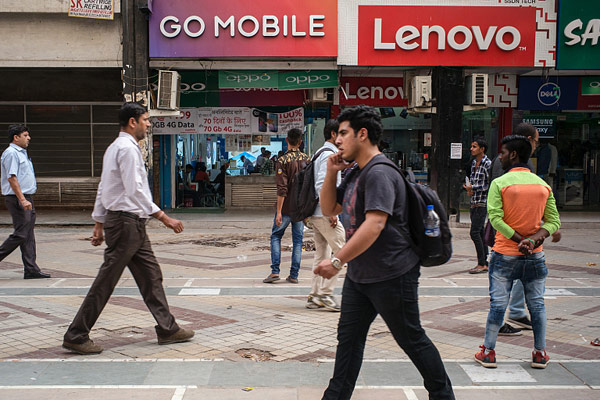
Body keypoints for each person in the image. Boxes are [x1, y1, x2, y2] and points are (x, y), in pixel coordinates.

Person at [315, 106, 454, 399]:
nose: (337, 140)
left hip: (393, 274)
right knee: (348, 341)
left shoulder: (379, 172)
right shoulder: (355, 172)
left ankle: (442, 395)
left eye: (343, 133)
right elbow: (329, 209)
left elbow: (375, 223)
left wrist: (337, 261)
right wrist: (331, 172)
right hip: (362, 276)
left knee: (411, 339)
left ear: (362, 134)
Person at [62, 103, 194, 355]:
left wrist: (99, 223)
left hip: (128, 223)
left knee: (151, 275)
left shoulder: (115, 148)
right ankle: (76, 334)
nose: (148, 124)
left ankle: (168, 328)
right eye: (145, 120)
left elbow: (105, 187)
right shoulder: (127, 149)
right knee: (106, 280)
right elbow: (135, 190)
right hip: (126, 223)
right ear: (132, 122)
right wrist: (163, 216)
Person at [475, 135, 560, 370]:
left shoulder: (500, 183)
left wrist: (520, 240)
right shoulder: (543, 185)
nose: (499, 157)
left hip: (504, 254)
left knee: (498, 305)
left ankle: (489, 352)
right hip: (535, 255)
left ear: (513, 155)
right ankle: (540, 353)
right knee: (537, 305)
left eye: (502, 153)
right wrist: (532, 241)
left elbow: (495, 219)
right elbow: (553, 221)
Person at [0, 125, 50, 279]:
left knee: (28, 235)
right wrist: (22, 199)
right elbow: (12, 177)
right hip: (18, 199)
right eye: (26, 135)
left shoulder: (22, 153)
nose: (29, 138)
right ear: (16, 137)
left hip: (26, 198)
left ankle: (31, 269)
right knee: (21, 234)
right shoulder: (11, 153)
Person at [306, 119, 345, 312]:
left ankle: (315, 295)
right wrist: (330, 212)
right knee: (342, 252)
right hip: (324, 213)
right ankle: (326, 294)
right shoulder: (329, 154)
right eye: (341, 133)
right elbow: (322, 184)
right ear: (332, 134)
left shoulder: (319, 153)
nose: (343, 138)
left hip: (316, 213)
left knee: (321, 255)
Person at [263, 128, 310, 284]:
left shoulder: (282, 161)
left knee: (276, 236)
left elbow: (282, 189)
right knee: (298, 240)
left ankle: (275, 271)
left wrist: (278, 212)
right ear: (301, 142)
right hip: (300, 208)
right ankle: (294, 275)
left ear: (286, 140)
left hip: (286, 207)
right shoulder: (307, 160)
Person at [464, 138, 492, 274]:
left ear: (482, 149)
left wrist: (473, 187)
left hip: (482, 202)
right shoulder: (474, 163)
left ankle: (482, 263)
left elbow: (489, 184)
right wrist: (470, 190)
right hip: (474, 202)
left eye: (474, 146)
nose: (471, 149)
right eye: (471, 146)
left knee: (474, 232)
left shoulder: (488, 164)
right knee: (479, 232)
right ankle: (484, 262)